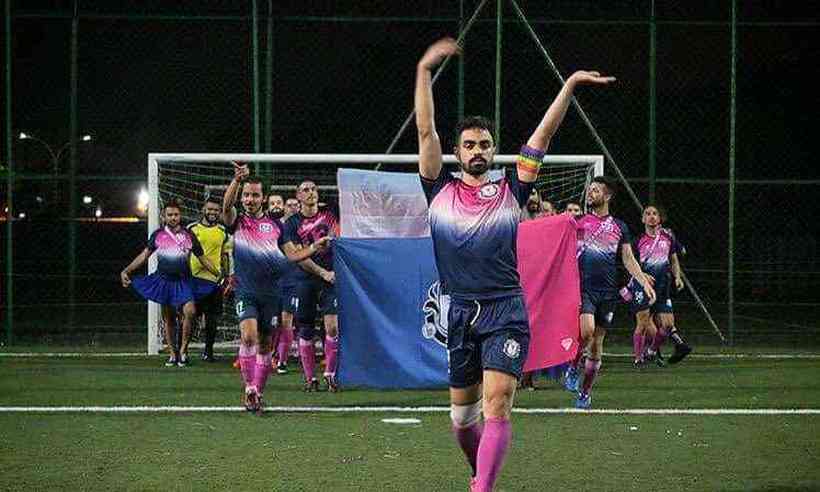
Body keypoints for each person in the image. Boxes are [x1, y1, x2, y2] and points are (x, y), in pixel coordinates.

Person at [415, 36, 615, 491]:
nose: (477, 150)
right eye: (468, 144)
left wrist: (569, 86)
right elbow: (426, 131)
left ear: (491, 149)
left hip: (506, 308)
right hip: (459, 311)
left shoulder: (512, 189)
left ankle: (483, 486)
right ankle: (478, 470)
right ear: (458, 152)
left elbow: (542, 137)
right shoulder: (438, 190)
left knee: (498, 401)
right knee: (463, 419)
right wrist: (425, 71)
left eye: (484, 144)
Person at [222, 164, 330, 413]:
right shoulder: (237, 221)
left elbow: (293, 255)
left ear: (264, 198)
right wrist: (237, 181)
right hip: (246, 290)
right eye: (246, 195)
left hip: (272, 293)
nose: (250, 199)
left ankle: (258, 392)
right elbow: (227, 207)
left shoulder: (277, 227)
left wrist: (314, 248)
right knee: (248, 336)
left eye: (255, 195)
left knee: (264, 344)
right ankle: (249, 388)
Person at [563, 176, 656, 408]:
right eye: (590, 190)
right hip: (584, 288)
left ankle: (584, 392)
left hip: (608, 292)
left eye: (595, 190)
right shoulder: (579, 222)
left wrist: (643, 281)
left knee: (596, 345)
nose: (590, 193)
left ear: (607, 196)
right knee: (586, 332)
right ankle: (572, 366)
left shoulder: (619, 226)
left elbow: (627, 258)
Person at [121, 199, 220, 366]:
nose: (173, 217)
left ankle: (183, 351)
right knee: (168, 317)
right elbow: (144, 255)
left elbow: (202, 258)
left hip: (184, 281)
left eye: (176, 214)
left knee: (190, 311)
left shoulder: (188, 235)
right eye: (170, 215)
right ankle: (173, 353)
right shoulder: (158, 235)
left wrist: (219, 274)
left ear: (180, 215)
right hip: (164, 281)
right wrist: (127, 270)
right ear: (164, 216)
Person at [281, 180, 340, 392]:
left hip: (332, 278)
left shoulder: (331, 213)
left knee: (333, 326)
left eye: (314, 188)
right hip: (306, 279)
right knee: (305, 328)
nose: (311, 192)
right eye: (305, 190)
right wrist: (323, 272)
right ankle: (309, 378)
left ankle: (330, 374)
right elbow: (299, 256)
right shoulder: (291, 224)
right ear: (298, 196)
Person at [629, 205, 692, 365]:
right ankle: (638, 358)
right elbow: (630, 263)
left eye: (655, 214)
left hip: (663, 287)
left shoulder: (667, 238)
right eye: (648, 214)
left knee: (668, 324)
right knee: (643, 323)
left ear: (660, 218)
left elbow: (674, 259)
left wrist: (677, 277)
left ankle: (651, 351)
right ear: (643, 219)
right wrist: (642, 276)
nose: (651, 216)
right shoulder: (637, 241)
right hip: (644, 287)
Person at [187, 196, 230, 362]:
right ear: (203, 210)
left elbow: (224, 256)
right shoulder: (191, 229)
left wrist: (225, 277)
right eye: (209, 209)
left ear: (219, 212)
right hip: (193, 281)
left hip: (214, 281)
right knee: (190, 316)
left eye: (216, 210)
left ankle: (208, 351)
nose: (212, 212)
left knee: (212, 318)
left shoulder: (222, 231)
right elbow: (185, 253)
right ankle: (182, 350)